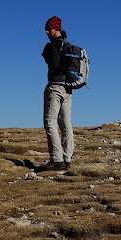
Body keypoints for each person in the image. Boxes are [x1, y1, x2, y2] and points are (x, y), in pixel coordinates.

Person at [38, 16, 74, 171]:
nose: (46, 32)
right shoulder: (69, 47)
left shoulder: (49, 47)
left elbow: (48, 61)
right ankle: (67, 159)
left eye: (48, 29)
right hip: (68, 88)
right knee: (66, 124)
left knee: (50, 122)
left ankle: (56, 159)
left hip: (54, 86)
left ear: (55, 28)